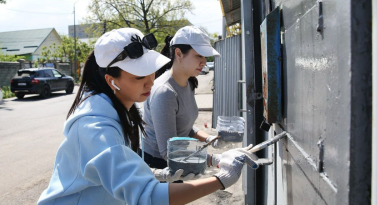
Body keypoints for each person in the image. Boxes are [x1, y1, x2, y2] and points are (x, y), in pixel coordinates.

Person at [37, 28, 261, 205]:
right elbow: (149, 196)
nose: (150, 81)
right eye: (138, 76)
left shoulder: (119, 107)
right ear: (110, 80)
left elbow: (124, 167)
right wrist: (221, 178)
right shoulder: (96, 129)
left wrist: (159, 174)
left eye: (151, 70)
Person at [141, 26, 227, 171]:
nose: (204, 62)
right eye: (199, 55)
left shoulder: (189, 82)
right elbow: (169, 153)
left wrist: (208, 139)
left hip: (179, 161)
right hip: (158, 168)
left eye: (205, 57)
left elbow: (184, 126)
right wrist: (213, 159)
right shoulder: (165, 92)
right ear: (179, 54)